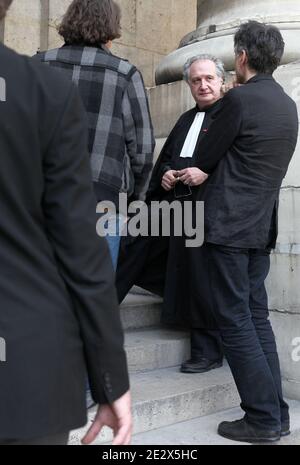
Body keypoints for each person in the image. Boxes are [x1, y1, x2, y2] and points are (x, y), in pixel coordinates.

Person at [0, 0, 132, 446]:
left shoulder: (43, 64)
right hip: (94, 200)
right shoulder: (120, 74)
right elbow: (140, 145)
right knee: (92, 277)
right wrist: (111, 378)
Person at [185, 21, 298, 443]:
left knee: (235, 321)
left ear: (243, 57)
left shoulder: (238, 102)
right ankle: (277, 415)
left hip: (229, 227)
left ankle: (262, 418)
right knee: (256, 318)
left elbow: (204, 158)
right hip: (259, 227)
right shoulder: (287, 104)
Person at [116, 55, 227, 373]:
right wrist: (165, 174)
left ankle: (207, 349)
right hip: (174, 207)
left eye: (208, 78)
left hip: (208, 213)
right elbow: (169, 159)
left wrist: (204, 172)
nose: (203, 85)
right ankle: (98, 310)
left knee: (196, 263)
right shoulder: (185, 120)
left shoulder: (231, 117)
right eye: (196, 80)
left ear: (221, 80)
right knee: (134, 240)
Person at [33, 0, 155, 268]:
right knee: (91, 294)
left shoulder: (38, 66)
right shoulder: (125, 74)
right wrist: (136, 200)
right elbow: (143, 150)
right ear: (110, 28)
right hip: (102, 198)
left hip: (41, 192)